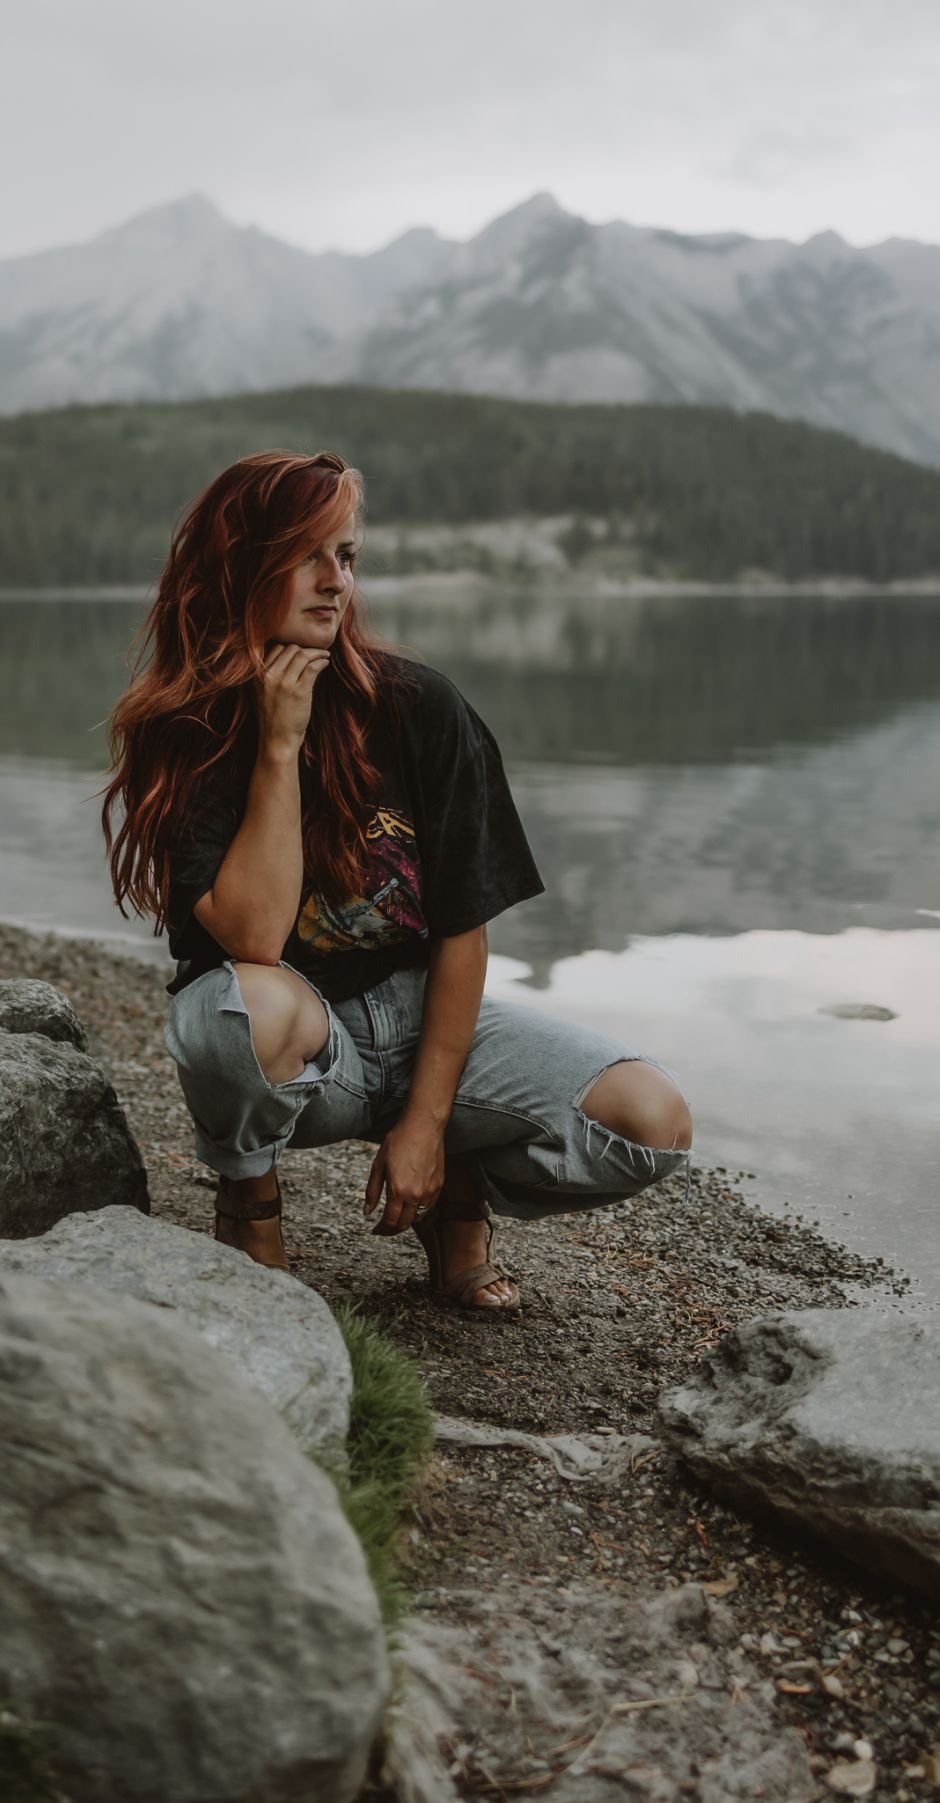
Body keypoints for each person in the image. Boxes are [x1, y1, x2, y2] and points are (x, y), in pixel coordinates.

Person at [101, 449, 691, 1309]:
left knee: (650, 1120)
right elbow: (255, 939)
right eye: (307, 554)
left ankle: (459, 1198)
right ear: (240, 563)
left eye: (346, 555)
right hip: (300, 1041)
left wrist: (424, 1126)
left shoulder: (420, 707)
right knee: (246, 1010)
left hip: (418, 1020)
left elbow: (462, 928)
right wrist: (277, 745)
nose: (334, 580)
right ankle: (249, 1205)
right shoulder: (188, 728)